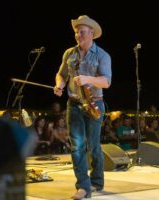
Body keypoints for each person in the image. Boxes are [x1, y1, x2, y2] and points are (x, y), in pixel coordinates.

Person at [53, 15, 112, 199]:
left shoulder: (102, 55)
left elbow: (106, 81)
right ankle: (83, 186)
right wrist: (60, 85)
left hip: (95, 104)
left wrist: (87, 79)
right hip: (74, 104)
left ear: (91, 33)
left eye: (82, 32)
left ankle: (97, 181)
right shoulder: (69, 53)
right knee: (77, 145)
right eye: (76, 32)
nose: (78, 35)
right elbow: (61, 74)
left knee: (93, 146)